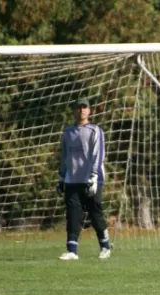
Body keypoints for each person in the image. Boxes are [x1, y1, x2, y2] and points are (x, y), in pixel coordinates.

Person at [57, 97, 111, 260]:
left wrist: (94, 177)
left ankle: (105, 247)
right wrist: (61, 177)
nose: (81, 110)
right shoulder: (67, 132)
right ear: (73, 111)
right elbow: (65, 156)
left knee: (95, 213)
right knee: (73, 215)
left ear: (89, 110)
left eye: (84, 107)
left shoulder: (95, 130)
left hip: (91, 179)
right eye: (78, 108)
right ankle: (72, 250)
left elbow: (98, 154)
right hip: (72, 180)